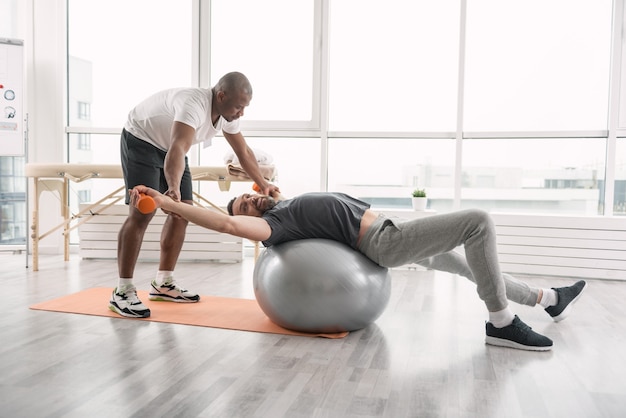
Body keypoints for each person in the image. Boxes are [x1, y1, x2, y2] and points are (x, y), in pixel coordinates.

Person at [129, 187, 586, 351]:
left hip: (389, 229)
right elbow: (226, 221)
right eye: (245, 204)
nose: (250, 200)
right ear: (252, 217)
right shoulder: (275, 223)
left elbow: (261, 182)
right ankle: (501, 322)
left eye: (248, 194)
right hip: (384, 242)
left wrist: (262, 184)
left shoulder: (284, 204)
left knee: (468, 266)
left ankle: (547, 298)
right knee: (478, 223)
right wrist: (170, 203)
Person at [110, 72, 280, 319]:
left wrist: (263, 183)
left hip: (169, 148)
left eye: (245, 107)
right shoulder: (194, 105)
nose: (241, 113)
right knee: (142, 213)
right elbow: (179, 146)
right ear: (221, 96)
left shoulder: (227, 114)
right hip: (141, 139)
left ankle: (163, 284)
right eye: (238, 106)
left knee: (182, 211)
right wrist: (173, 186)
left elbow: (242, 151)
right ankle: (122, 291)